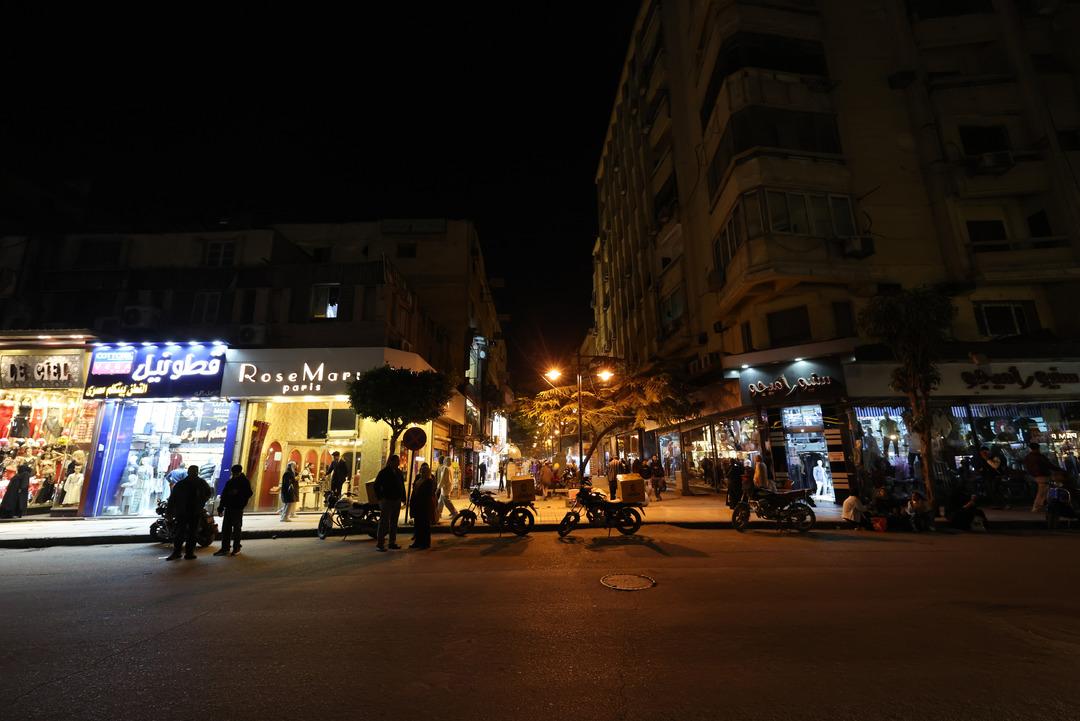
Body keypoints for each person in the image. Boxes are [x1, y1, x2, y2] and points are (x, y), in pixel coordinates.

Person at [165, 465, 211, 561]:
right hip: (187, 512)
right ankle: (185, 553)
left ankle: (183, 553)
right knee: (187, 533)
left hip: (188, 512)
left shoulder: (186, 483)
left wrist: (169, 512)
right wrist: (201, 503)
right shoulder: (197, 483)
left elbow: (172, 499)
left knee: (186, 533)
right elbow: (173, 498)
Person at [215, 464, 253, 556]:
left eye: (235, 472)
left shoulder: (244, 482)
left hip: (237, 508)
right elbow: (224, 495)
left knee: (236, 528)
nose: (234, 474)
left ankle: (236, 548)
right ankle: (225, 548)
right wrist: (221, 508)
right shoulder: (231, 481)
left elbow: (249, 493)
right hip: (229, 507)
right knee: (226, 529)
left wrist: (238, 494)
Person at [373, 454, 406, 551]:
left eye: (398, 461)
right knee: (384, 522)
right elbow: (376, 485)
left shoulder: (399, 472)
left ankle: (392, 542)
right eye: (396, 461)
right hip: (387, 500)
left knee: (394, 522)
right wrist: (380, 498)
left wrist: (403, 497)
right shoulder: (384, 472)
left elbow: (401, 485)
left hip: (396, 500)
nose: (398, 463)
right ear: (391, 462)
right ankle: (380, 543)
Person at [410, 463, 436, 549]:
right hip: (417, 505)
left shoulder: (429, 481)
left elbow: (428, 494)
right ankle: (417, 542)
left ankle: (425, 543)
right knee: (417, 524)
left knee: (424, 525)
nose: (422, 473)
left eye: (424, 471)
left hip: (424, 506)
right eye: (421, 471)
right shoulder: (419, 479)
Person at [1025, 442, 1056, 513]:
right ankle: (1036, 507)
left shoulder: (1028, 457)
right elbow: (1049, 465)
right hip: (1042, 475)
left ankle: (1041, 506)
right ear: (1038, 448)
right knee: (1042, 491)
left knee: (1043, 491)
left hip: (1035, 476)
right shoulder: (1039, 456)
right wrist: (1058, 469)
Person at [435, 456, 457, 520]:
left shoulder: (445, 468)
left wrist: (438, 488)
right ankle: (438, 513)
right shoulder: (451, 468)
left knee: (446, 501)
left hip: (445, 487)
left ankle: (454, 512)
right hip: (448, 486)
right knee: (441, 501)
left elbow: (442, 479)